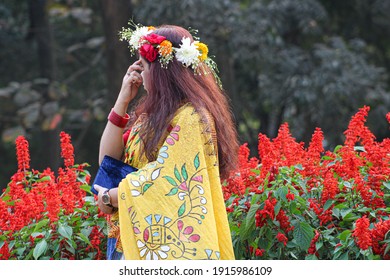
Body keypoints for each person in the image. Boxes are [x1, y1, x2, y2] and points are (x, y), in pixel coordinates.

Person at [94, 22, 239, 260]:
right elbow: (108, 163)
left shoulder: (192, 116)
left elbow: (167, 179)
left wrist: (112, 197)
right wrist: (122, 99)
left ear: (162, 71)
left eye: (144, 66)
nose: (139, 73)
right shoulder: (153, 114)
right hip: (131, 234)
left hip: (163, 243)